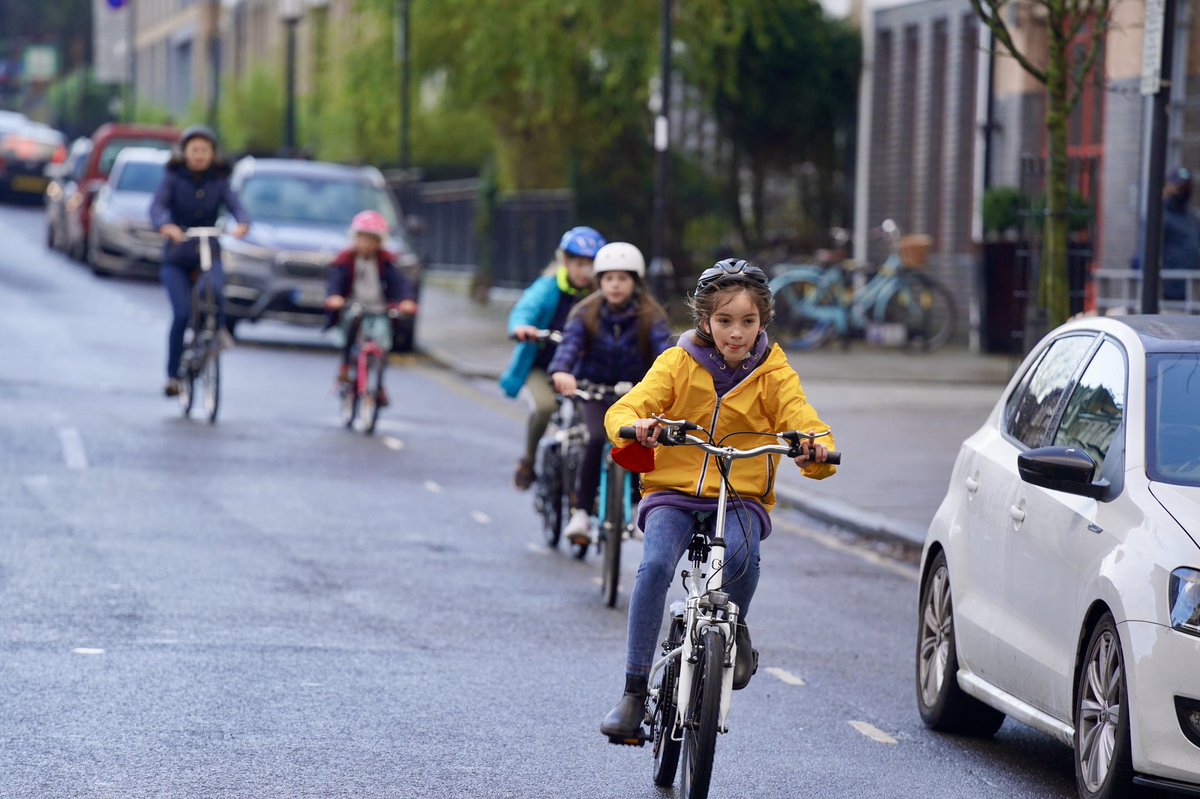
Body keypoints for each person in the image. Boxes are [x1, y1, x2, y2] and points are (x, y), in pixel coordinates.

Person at [598, 257, 837, 740]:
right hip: (674, 492)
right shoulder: (677, 362)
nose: (736, 333)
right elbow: (628, 407)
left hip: (741, 494)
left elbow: (800, 414)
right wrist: (640, 425)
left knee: (744, 559)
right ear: (705, 320)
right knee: (656, 565)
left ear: (762, 321)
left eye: (748, 322)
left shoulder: (774, 371)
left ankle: (734, 629)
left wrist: (814, 445)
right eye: (725, 321)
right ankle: (633, 691)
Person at [546, 242, 673, 546]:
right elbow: (570, 345)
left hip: (636, 393)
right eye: (609, 278)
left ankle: (637, 506)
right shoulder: (585, 312)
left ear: (635, 282)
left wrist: (673, 380)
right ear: (599, 281)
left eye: (623, 278)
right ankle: (580, 512)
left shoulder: (651, 314)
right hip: (594, 390)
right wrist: (562, 371)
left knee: (645, 440)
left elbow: (665, 352)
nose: (615, 285)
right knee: (596, 438)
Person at [501, 225, 606, 490]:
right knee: (545, 407)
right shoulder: (548, 287)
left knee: (593, 422)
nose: (584, 271)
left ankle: (584, 487)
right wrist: (523, 327)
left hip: (581, 371)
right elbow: (526, 308)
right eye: (578, 263)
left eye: (590, 265)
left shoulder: (602, 294)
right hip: (542, 367)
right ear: (565, 261)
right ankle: (528, 459)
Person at [150, 124, 251, 398]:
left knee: (215, 290)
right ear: (185, 152)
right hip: (178, 258)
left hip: (208, 252)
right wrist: (166, 226)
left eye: (204, 150)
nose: (199, 155)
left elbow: (236, 206)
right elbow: (157, 207)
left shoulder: (219, 180)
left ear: (212, 154)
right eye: (194, 150)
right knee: (181, 313)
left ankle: (216, 333)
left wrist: (242, 223)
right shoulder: (172, 178)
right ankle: (172, 375)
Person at [323, 210, 419, 408]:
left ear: (379, 243)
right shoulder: (346, 260)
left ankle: (378, 385)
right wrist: (335, 297)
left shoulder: (386, 262)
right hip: (354, 306)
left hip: (379, 309)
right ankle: (344, 369)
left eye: (371, 241)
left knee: (383, 342)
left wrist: (406, 300)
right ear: (355, 239)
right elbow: (336, 282)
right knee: (351, 327)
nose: (366, 245)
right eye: (362, 239)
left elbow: (399, 284)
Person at [1161, 166, 1200, 302]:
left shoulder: (1192, 218)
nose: (1184, 190)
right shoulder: (1160, 216)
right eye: (1180, 187)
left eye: (1187, 186)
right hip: (1170, 294)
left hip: (1192, 291)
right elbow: (1148, 255)